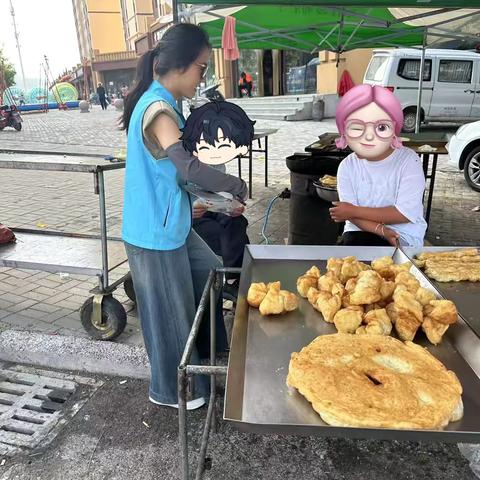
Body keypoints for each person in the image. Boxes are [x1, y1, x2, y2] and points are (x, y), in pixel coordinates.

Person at [121, 23, 247, 411]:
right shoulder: (158, 109)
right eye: (201, 68)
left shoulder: (167, 102)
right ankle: (177, 391)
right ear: (178, 65)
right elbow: (188, 168)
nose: (203, 77)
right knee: (169, 316)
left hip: (170, 224)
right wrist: (234, 184)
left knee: (209, 270)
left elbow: (176, 176)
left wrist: (216, 201)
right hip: (152, 234)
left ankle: (206, 360)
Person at [330, 84, 427, 247]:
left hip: (403, 234)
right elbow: (350, 214)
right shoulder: (347, 166)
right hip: (359, 230)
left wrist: (353, 211)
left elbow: (403, 213)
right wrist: (380, 229)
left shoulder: (409, 161)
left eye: (381, 127)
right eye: (357, 128)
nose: (368, 137)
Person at [181, 101, 255, 296]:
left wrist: (233, 203)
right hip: (191, 216)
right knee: (226, 235)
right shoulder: (183, 157)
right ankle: (230, 279)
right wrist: (189, 207)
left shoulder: (216, 155)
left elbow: (221, 190)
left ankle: (233, 279)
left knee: (237, 221)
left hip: (213, 208)